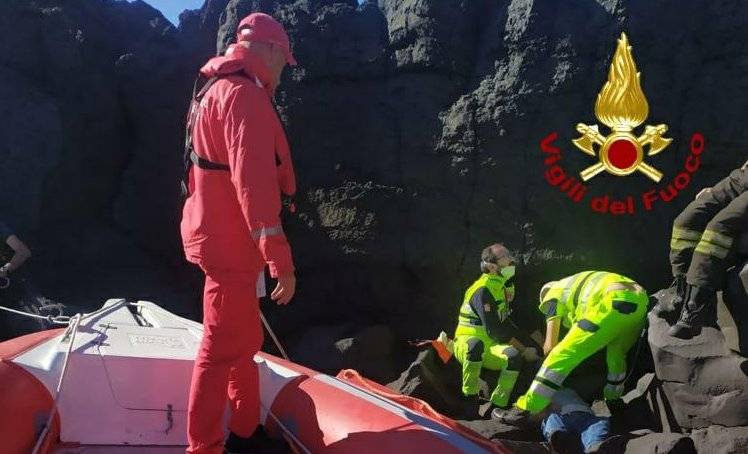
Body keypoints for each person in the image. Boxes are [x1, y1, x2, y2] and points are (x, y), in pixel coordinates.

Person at [180, 12, 298, 454]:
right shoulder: (244, 97)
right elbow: (256, 187)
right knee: (218, 350)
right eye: (284, 60)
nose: (284, 71)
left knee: (244, 341)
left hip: (222, 239)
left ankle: (246, 430)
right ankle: (205, 447)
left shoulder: (213, 90)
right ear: (266, 50)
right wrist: (279, 262)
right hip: (232, 246)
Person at [492, 271, 648, 425]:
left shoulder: (552, 294)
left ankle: (525, 409)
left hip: (611, 303)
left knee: (561, 354)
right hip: (640, 302)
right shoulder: (575, 285)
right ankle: (614, 402)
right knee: (617, 357)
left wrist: (543, 360)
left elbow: (551, 346)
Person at [453, 243, 539, 412]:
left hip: (491, 345)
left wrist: (531, 341)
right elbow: (496, 330)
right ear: (492, 267)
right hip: (466, 341)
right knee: (475, 346)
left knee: (513, 356)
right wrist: (524, 350)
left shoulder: (502, 286)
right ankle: (469, 399)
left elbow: (506, 320)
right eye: (505, 257)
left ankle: (498, 405)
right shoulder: (482, 290)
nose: (511, 260)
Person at [667, 160, 748, 339]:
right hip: (741, 177)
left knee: (718, 228)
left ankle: (695, 309)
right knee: (687, 220)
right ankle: (681, 290)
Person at [541, 387, 612, 454]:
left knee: (598, 423)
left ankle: (594, 446)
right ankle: (558, 438)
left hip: (585, 415)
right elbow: (535, 416)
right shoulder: (541, 394)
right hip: (562, 417)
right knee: (552, 418)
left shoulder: (568, 389)